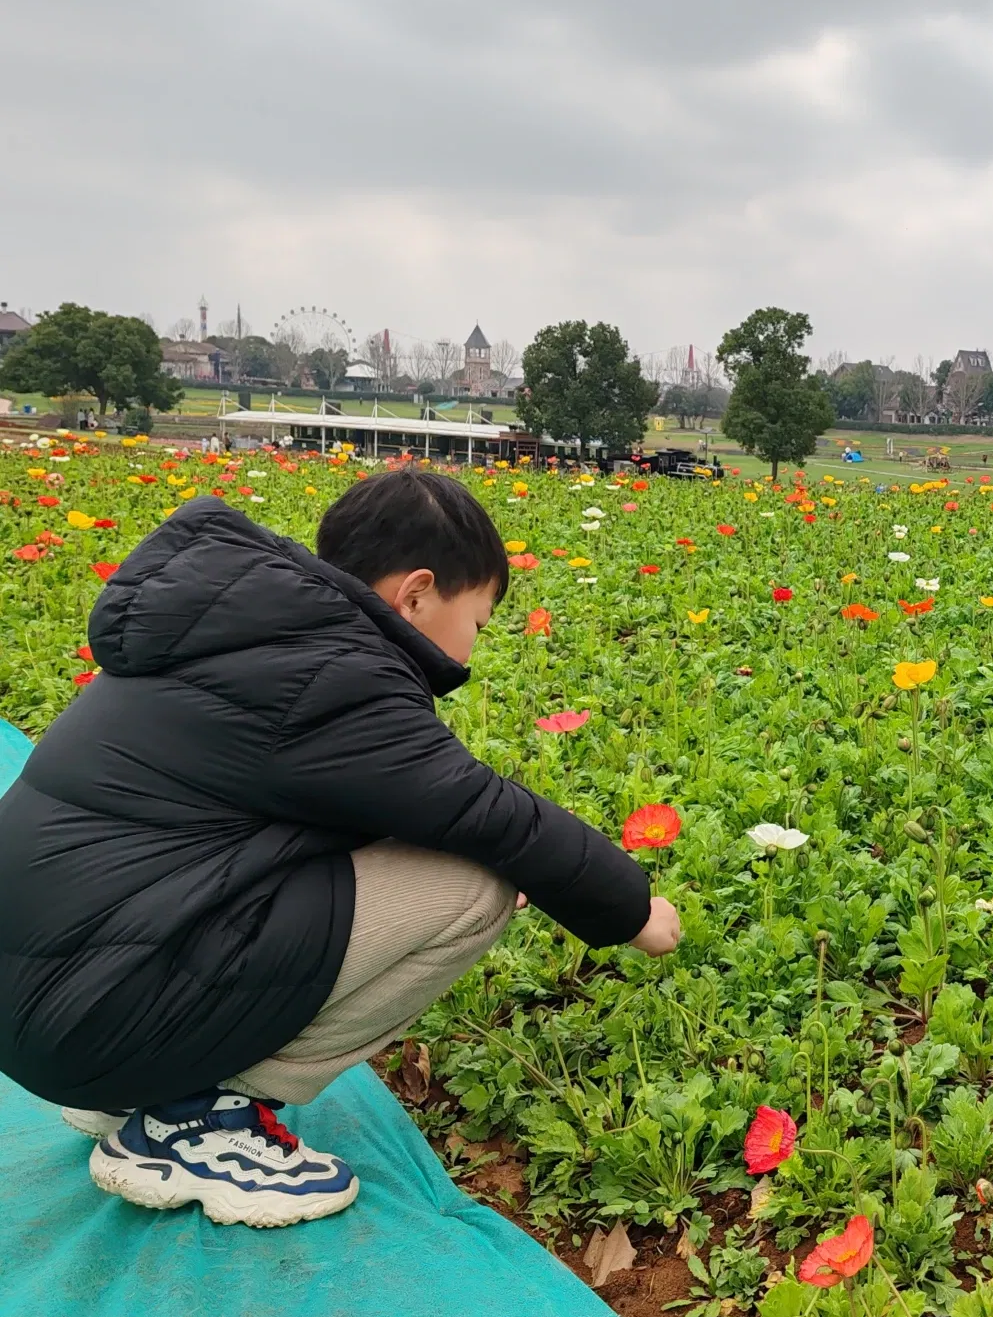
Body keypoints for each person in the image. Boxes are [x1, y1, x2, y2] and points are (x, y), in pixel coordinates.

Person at [0, 470, 678, 1229]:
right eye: (479, 621)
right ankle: (195, 1120)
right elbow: (489, 815)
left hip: (50, 994)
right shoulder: (332, 674)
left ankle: (147, 1085)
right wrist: (631, 910)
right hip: (86, 1011)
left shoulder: (253, 627)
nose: (473, 648)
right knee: (473, 885)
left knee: (438, 858)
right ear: (417, 594)